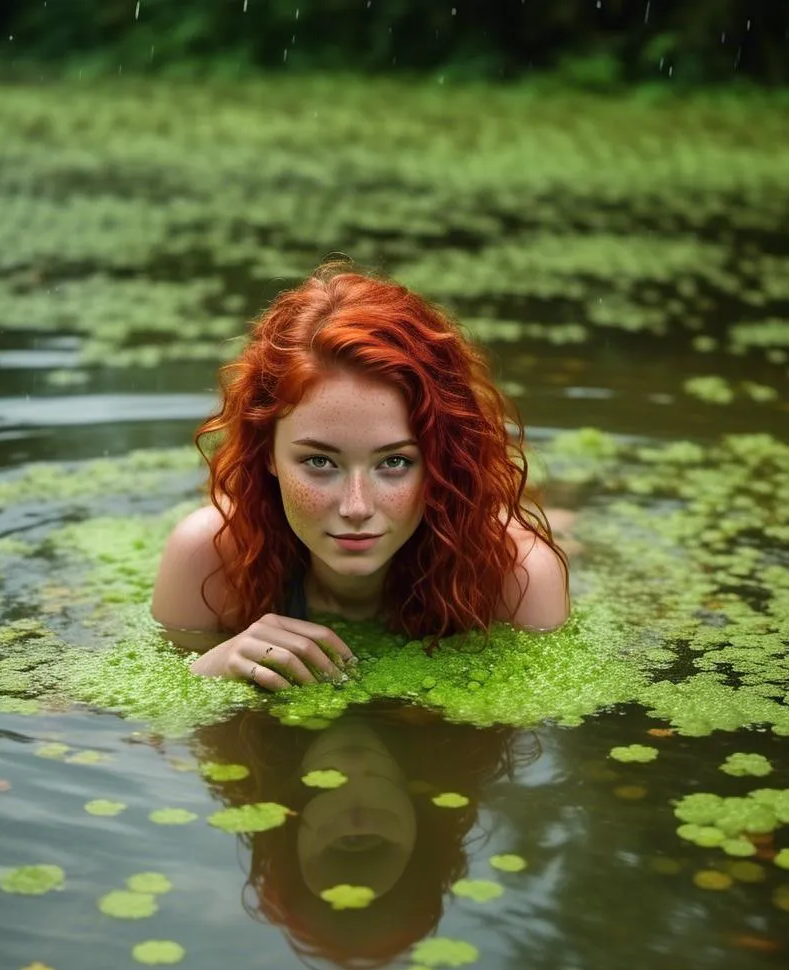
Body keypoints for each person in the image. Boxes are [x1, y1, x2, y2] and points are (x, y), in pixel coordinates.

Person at [151, 260, 569, 689]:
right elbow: (153, 717)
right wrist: (211, 669)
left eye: (394, 462)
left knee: (563, 529)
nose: (356, 507)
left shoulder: (516, 577)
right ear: (267, 453)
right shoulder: (209, 556)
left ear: (442, 461)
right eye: (319, 461)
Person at [187, 702, 540, 970]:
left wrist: (205, 671)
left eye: (341, 845)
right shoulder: (475, 719)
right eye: (371, 843)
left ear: (288, 829)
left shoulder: (227, 736)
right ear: (423, 829)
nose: (355, 816)